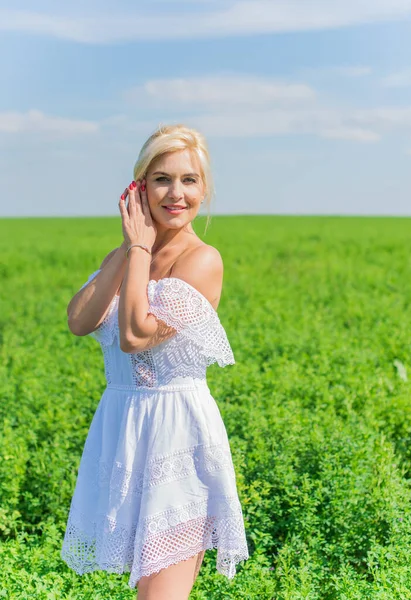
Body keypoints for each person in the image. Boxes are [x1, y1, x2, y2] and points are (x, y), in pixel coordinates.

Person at [61, 124, 249, 599]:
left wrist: (140, 248)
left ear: (204, 190)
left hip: (177, 438)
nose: (176, 193)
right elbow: (80, 320)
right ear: (138, 187)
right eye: (161, 178)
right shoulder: (125, 254)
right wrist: (129, 247)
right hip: (123, 432)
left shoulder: (202, 260)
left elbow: (134, 335)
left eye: (190, 180)